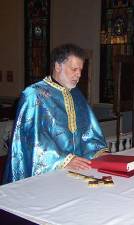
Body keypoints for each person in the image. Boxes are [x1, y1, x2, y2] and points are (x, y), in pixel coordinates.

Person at [3, 43, 107, 183]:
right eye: (74, 69)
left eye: (81, 70)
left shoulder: (76, 95)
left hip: (79, 170)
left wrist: (99, 151)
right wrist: (64, 160)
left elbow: (89, 131)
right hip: (49, 172)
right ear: (58, 66)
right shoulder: (34, 95)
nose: (79, 74)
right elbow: (30, 140)